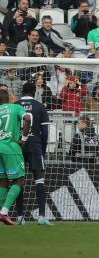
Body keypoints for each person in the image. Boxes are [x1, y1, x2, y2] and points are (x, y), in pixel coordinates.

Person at [14, 82, 52, 226]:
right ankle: (41, 216)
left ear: (22, 91)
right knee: (39, 180)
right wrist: (42, 150)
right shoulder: (40, 106)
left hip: (18, 147)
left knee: (18, 181)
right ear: (35, 92)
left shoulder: (15, 105)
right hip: (35, 146)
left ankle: (20, 217)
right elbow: (45, 132)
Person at [0, 89, 31, 225]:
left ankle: (1, 213)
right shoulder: (15, 107)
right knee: (19, 180)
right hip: (11, 147)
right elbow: (28, 118)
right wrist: (24, 138)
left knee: (2, 181)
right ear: (9, 98)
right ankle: (3, 212)